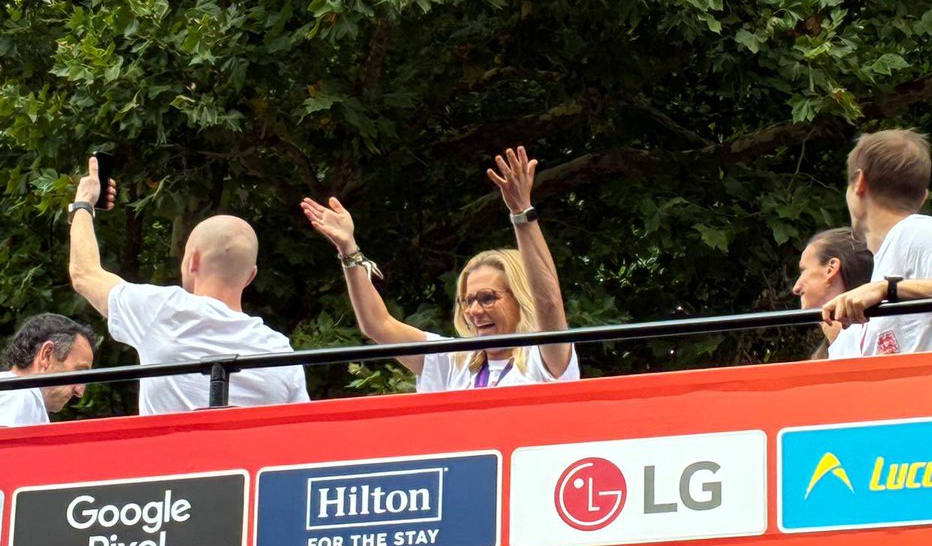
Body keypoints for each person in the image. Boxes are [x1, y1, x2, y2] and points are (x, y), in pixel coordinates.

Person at [301, 146, 579, 392]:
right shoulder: (453, 360)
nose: (474, 311)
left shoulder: (544, 357)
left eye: (487, 298)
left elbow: (548, 301)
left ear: (520, 297)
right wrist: (348, 250)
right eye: (467, 301)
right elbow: (377, 325)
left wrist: (521, 213)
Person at [68, 156, 309, 414]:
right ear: (251, 276)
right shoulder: (280, 351)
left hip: (172, 443)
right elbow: (303, 428)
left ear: (193, 260)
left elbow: (84, 274)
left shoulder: (163, 309)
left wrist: (84, 203)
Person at [822, 129, 932, 356]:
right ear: (923, 197)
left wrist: (887, 289)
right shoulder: (895, 250)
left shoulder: (916, 230)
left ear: (859, 182)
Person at [0, 313, 96, 427]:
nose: (80, 392)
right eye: (79, 373)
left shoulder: (15, 393)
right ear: (47, 354)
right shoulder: (20, 395)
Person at [792, 227, 872, 359]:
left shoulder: (876, 335)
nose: (795, 288)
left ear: (831, 269)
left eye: (804, 270)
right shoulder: (822, 357)